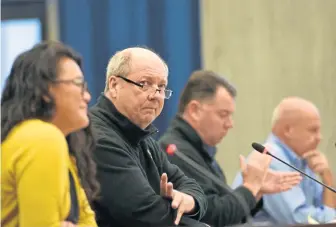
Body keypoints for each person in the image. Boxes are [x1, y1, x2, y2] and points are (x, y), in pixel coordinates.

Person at [159, 70, 302, 227]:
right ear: (194, 110)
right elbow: (212, 216)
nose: (230, 124)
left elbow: (226, 211)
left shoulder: (199, 151)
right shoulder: (175, 151)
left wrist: (255, 192)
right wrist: (249, 188)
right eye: (223, 114)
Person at [90, 47, 208, 227]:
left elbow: (189, 185)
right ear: (114, 85)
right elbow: (147, 215)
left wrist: (189, 200)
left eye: (161, 87)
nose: (156, 96)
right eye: (144, 84)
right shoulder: (98, 138)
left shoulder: (142, 138)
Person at [1, 41, 99, 227]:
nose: (87, 96)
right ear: (46, 90)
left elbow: (88, 222)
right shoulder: (41, 138)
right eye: (78, 84)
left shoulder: (55, 142)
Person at [233, 97, 336, 224]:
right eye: (313, 130)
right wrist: (329, 216)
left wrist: (327, 178)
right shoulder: (270, 159)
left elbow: (326, 206)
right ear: (288, 130)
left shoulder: (303, 159)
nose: (320, 138)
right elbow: (301, 220)